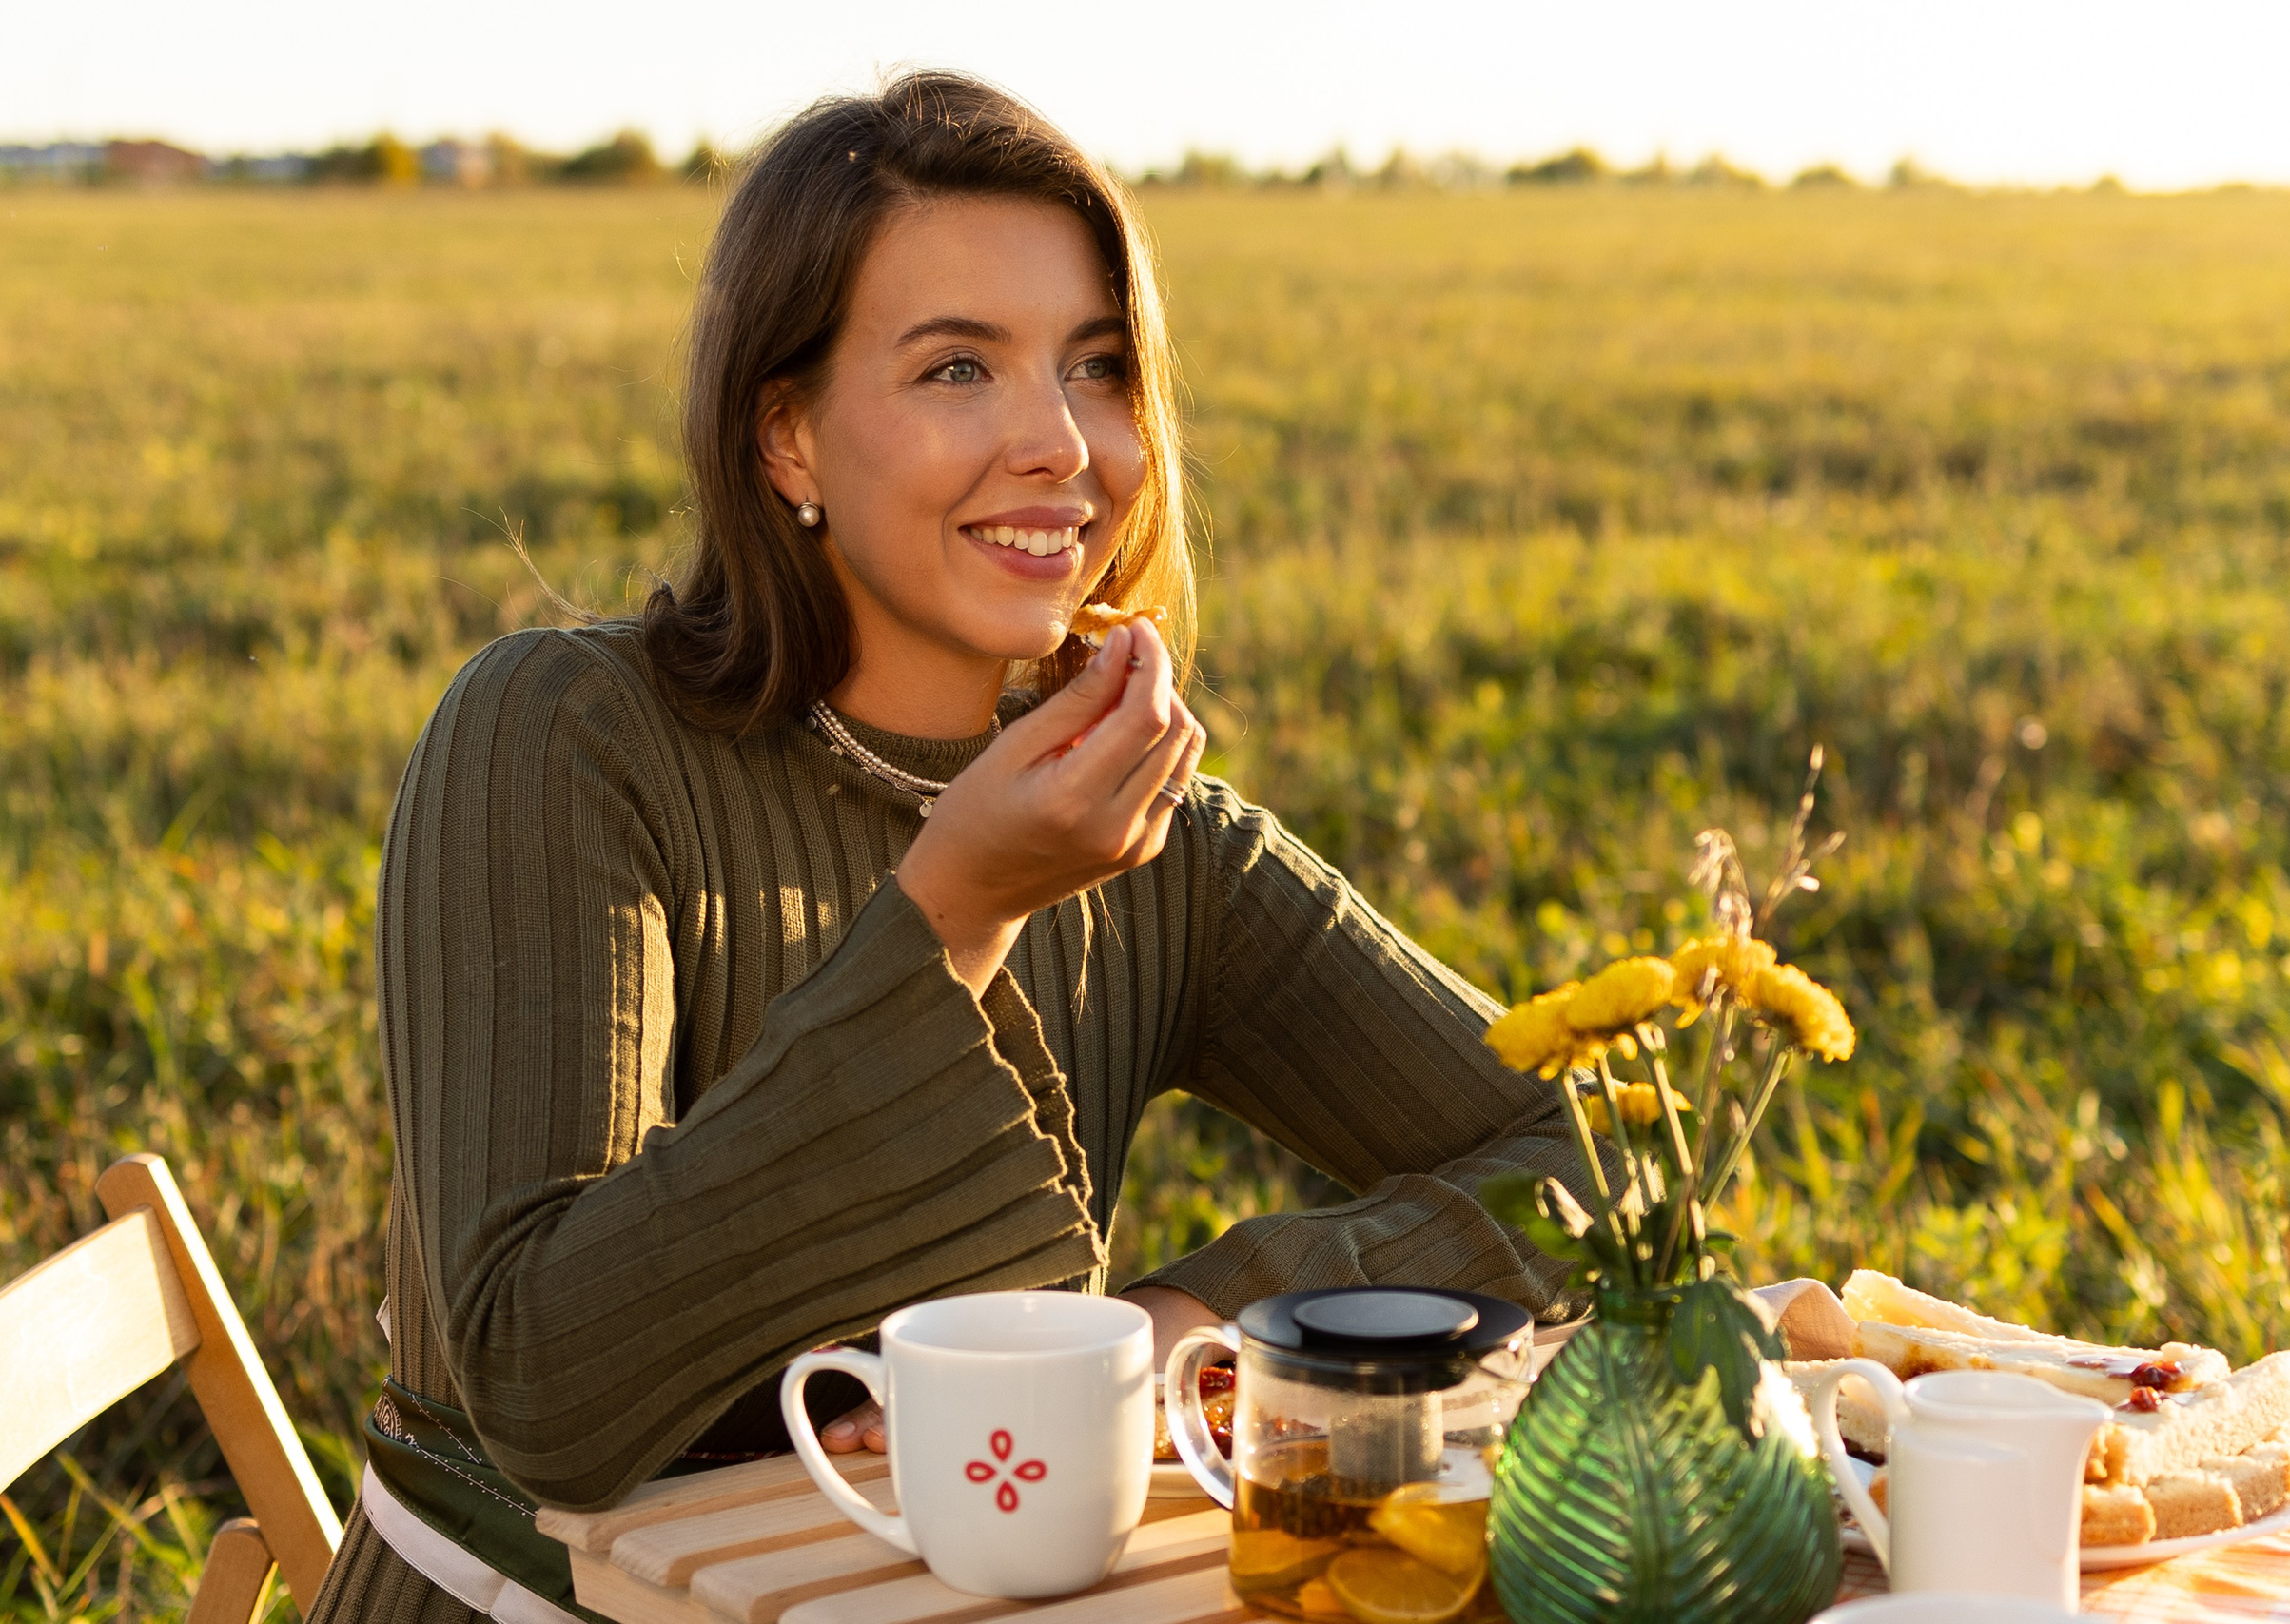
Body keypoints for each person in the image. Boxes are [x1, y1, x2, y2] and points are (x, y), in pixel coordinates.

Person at [311, 71, 1591, 1624]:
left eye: (1097, 367)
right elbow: (545, 1385)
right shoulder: (561, 736)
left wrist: (1195, 1319)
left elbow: (1595, 1158)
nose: (1059, 443)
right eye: (958, 368)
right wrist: (955, 911)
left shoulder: (1150, 837)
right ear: (785, 436)